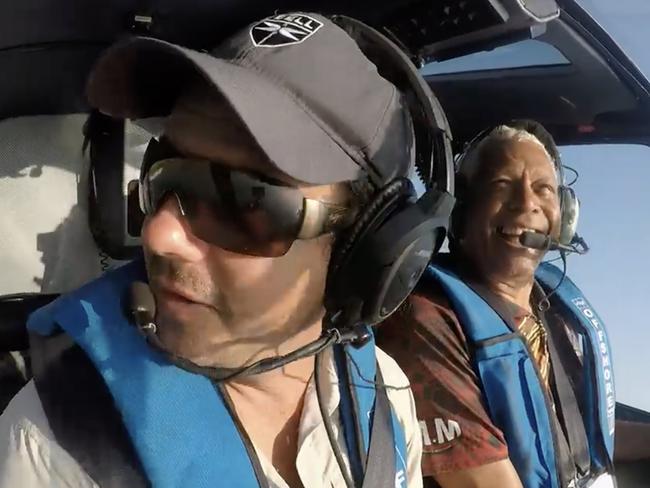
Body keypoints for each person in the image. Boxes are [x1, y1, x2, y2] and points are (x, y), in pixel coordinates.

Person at [0, 13, 453, 488]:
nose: (159, 235)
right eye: (165, 178)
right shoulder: (55, 446)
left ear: (364, 249)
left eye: (243, 199)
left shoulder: (385, 396)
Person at [378, 120, 650, 488]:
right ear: (461, 213)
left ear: (565, 217)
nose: (527, 203)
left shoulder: (553, 308)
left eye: (544, 189)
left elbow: (575, 432)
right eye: (502, 186)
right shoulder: (427, 320)